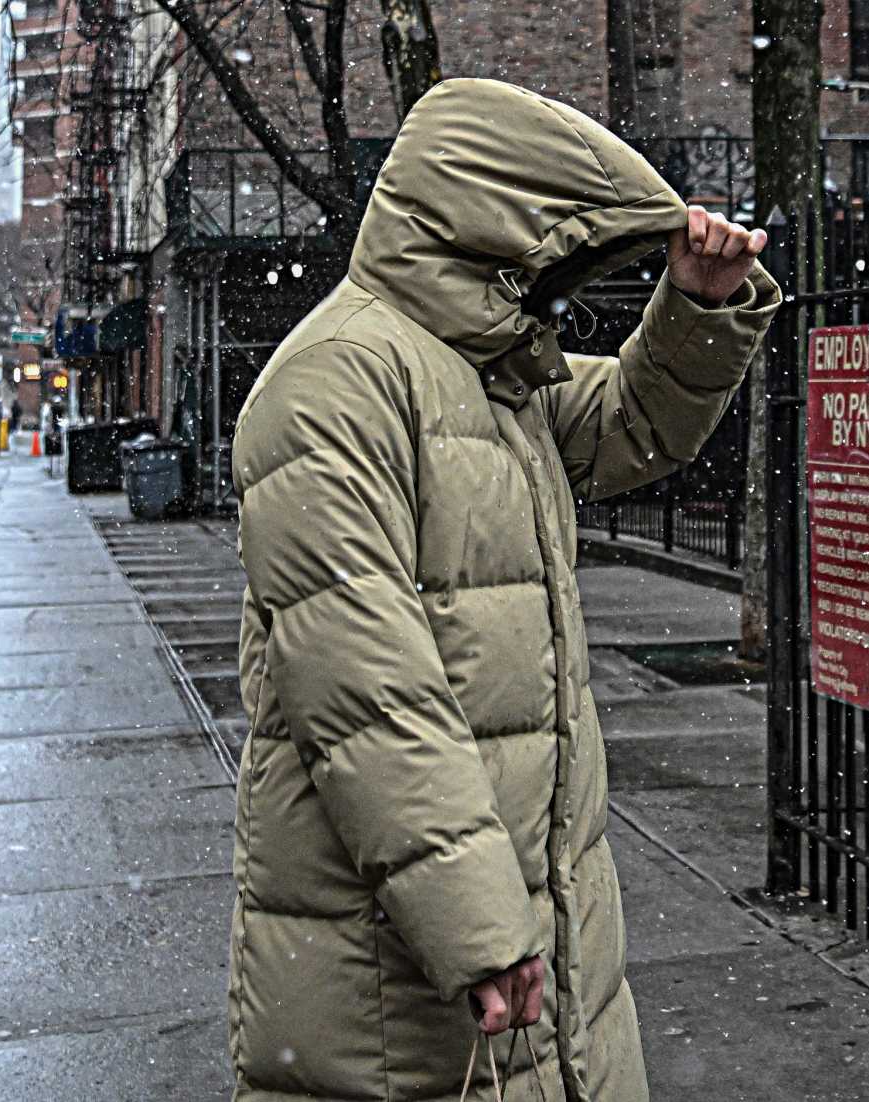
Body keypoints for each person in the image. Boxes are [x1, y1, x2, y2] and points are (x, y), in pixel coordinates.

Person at [229, 78, 780, 1102]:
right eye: (554, 254)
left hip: (538, 922)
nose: (556, 286)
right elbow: (365, 689)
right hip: (398, 961)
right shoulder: (337, 382)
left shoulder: (491, 370)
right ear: (489, 233)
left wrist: (699, 305)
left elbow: (631, 422)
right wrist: (479, 925)